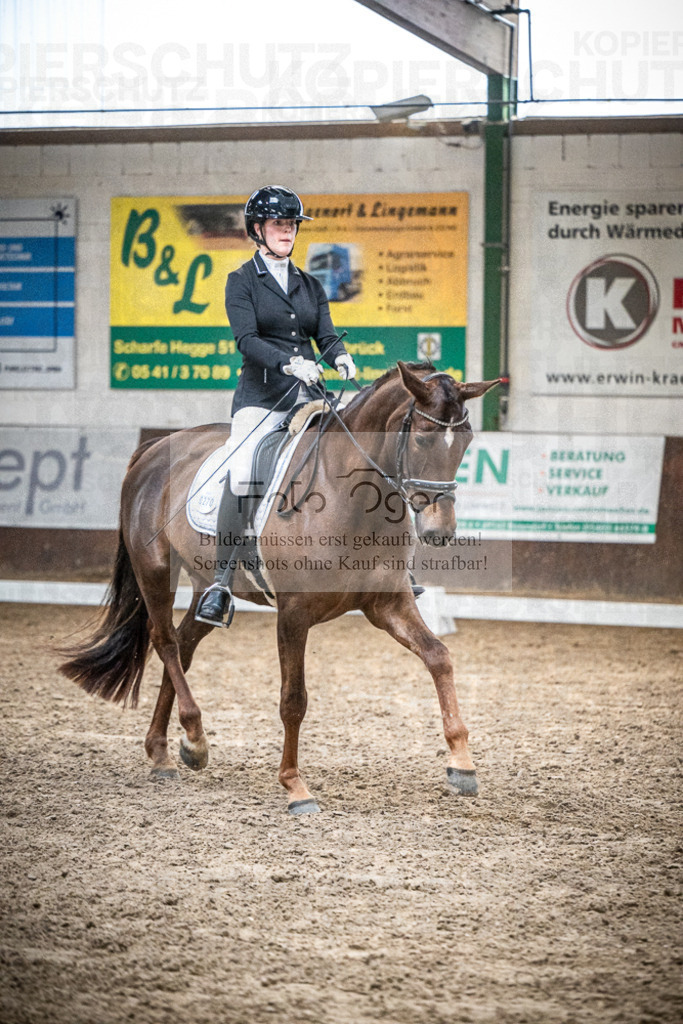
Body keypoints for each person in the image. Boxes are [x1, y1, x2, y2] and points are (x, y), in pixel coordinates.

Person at [195, 185, 357, 627]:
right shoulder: (241, 281)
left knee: (355, 455)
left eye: (291, 225)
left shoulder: (310, 284)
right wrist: (289, 363)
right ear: (257, 230)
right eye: (278, 224)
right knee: (244, 468)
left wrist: (340, 356)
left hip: (310, 395)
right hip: (261, 398)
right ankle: (221, 582)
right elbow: (246, 340)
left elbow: (325, 334)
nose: (287, 231)